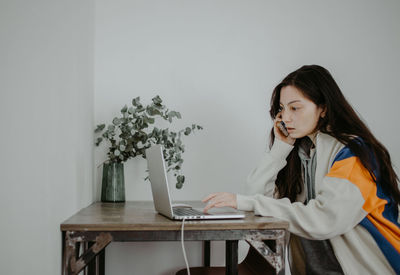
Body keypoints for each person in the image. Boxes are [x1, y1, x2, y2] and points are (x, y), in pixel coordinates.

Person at [202, 65, 400, 275]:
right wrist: (280, 149)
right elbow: (255, 196)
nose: (285, 118)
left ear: (323, 108)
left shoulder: (355, 154)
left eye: (295, 108)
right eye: (282, 108)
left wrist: (245, 201)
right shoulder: (304, 153)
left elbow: (324, 220)